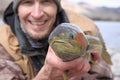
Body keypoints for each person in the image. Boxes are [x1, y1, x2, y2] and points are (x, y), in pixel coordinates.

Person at [0, 0, 113, 80]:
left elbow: (104, 76)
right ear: (17, 9)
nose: (37, 14)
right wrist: (46, 77)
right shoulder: (2, 42)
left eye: (46, 1)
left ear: (57, 7)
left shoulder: (88, 30)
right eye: (27, 2)